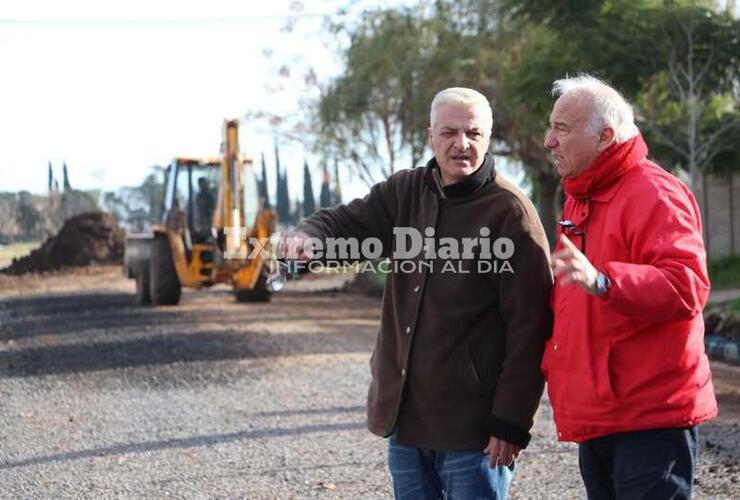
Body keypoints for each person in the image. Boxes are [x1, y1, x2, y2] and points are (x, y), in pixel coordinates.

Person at [283, 87, 553, 498]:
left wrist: (511, 422)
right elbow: (349, 223)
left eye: (473, 133)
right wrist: (310, 234)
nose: (461, 144)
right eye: (449, 132)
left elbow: (531, 329)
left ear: (488, 137)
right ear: (430, 135)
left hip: (473, 434)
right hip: (406, 425)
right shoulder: (404, 192)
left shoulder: (510, 213)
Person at [542, 75, 717, 499]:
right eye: (551, 128)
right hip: (602, 415)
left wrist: (604, 280)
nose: (549, 141)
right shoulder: (578, 199)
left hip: (650, 419)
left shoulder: (656, 192)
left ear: (605, 137)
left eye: (561, 129)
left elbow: (686, 286)